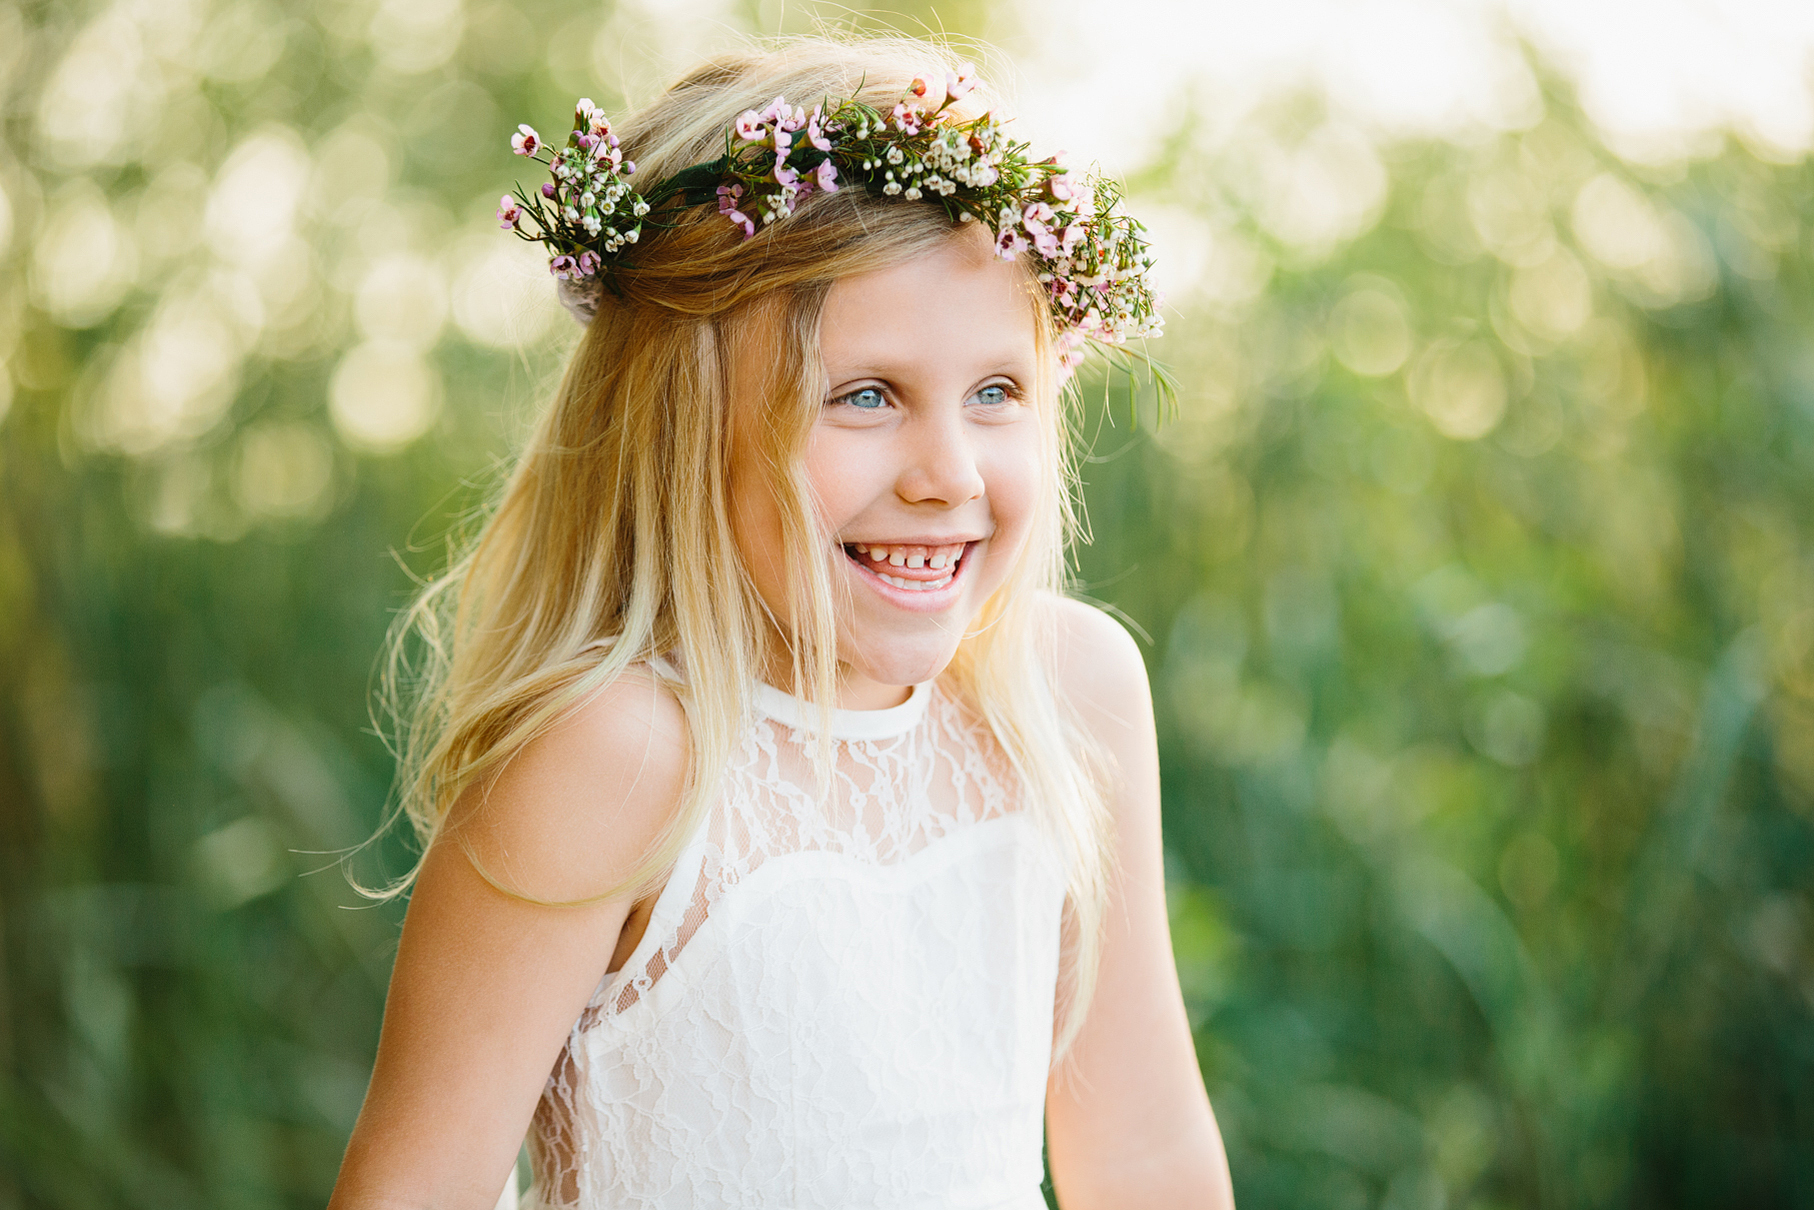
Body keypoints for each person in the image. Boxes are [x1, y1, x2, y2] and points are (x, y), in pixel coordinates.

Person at [326, 34, 1234, 1210]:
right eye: (864, 396)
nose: (947, 472)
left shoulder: (1067, 693)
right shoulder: (618, 756)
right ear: (684, 422)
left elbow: (1147, 1156)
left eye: (995, 392)